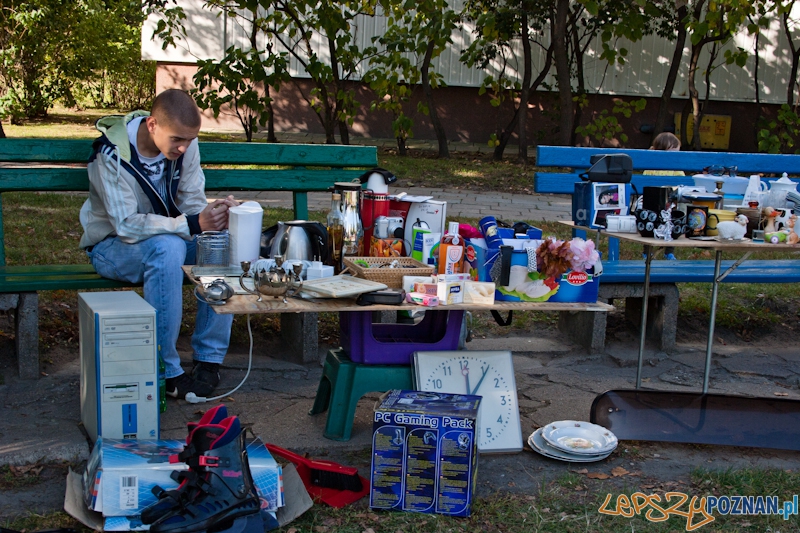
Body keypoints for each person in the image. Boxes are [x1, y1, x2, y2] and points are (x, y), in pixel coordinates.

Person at [79, 89, 238, 400]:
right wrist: (190, 224)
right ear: (152, 125)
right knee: (168, 248)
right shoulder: (110, 156)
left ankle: (209, 359)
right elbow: (125, 225)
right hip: (112, 249)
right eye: (177, 140)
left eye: (190, 140)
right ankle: (166, 371)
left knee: (219, 244)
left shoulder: (185, 145)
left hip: (168, 241)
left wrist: (213, 219)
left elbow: (192, 201)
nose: (184, 147)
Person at [642, 132, 685, 260]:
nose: (674, 157)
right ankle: (647, 250)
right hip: (652, 204)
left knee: (672, 224)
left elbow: (681, 183)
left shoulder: (676, 168)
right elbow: (646, 183)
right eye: (672, 153)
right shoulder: (651, 167)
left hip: (669, 204)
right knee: (648, 224)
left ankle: (669, 251)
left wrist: (674, 193)